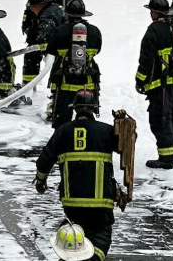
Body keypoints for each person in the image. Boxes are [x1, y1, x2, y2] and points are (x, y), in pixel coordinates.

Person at [34, 90, 118, 261]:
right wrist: (124, 126)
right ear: (95, 109)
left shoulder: (63, 131)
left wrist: (41, 180)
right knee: (101, 236)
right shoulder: (106, 131)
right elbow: (127, 148)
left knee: (76, 234)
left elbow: (45, 160)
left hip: (72, 202)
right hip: (101, 201)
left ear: (75, 109)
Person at [136, 0, 173, 168]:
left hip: (162, 85)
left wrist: (140, 80)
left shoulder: (155, 30)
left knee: (160, 119)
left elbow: (146, 60)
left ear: (155, 13)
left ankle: (167, 158)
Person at [45, 0, 102, 127]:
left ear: (67, 13)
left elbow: (51, 50)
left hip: (64, 84)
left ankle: (62, 145)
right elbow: (98, 49)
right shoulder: (94, 31)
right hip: (88, 84)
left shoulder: (60, 30)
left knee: (61, 122)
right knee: (87, 120)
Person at [22, 0, 64, 87]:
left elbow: (45, 35)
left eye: (32, 6)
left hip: (62, 46)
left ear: (39, 5)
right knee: (31, 54)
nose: (31, 9)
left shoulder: (47, 15)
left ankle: (29, 86)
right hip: (62, 44)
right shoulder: (52, 9)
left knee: (58, 67)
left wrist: (40, 44)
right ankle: (29, 85)